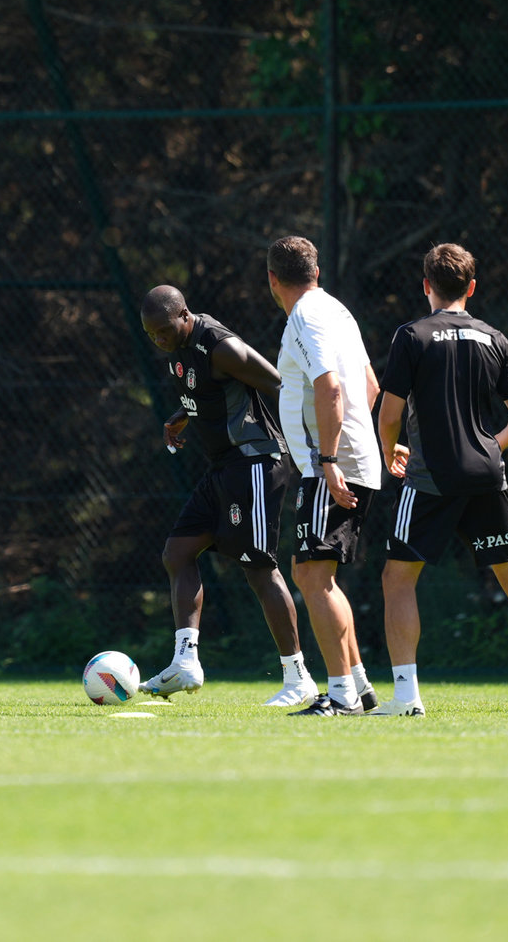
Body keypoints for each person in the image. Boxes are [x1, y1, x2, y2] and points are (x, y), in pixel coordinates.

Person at [372, 244, 508, 717]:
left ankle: (406, 698)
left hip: (431, 480)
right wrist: (489, 447)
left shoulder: (411, 336)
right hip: (488, 476)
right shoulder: (494, 338)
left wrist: (390, 452)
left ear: (426, 285)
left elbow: (389, 415)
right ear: (471, 288)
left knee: (398, 579)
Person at [138, 285, 315, 708]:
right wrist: (182, 417)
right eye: (152, 336)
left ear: (185, 314)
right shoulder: (177, 347)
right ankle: (186, 662)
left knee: (258, 569)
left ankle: (298, 677)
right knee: (177, 553)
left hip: (255, 462)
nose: (160, 340)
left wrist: (316, 450)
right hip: (222, 468)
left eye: (165, 330)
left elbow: (279, 385)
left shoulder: (221, 346)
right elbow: (209, 392)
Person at [266, 235, 381, 716]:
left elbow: (329, 388)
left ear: (273, 280)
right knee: (312, 572)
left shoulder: (305, 317)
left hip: (328, 465)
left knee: (314, 576)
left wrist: (331, 460)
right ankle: (358, 684)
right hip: (345, 459)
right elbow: (370, 387)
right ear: (317, 272)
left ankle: (340, 696)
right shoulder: (337, 311)